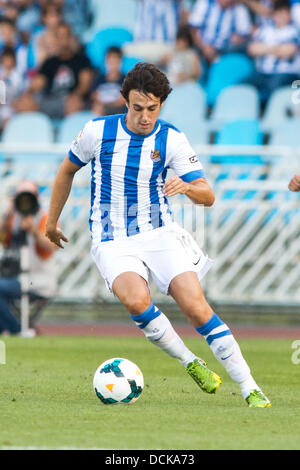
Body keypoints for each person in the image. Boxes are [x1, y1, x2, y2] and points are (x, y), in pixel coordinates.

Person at [45, 62, 271, 408]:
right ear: (125, 102)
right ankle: (190, 362)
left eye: (152, 108)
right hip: (112, 239)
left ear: (161, 105)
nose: (145, 116)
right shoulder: (97, 131)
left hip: (160, 233)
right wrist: (51, 221)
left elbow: (207, 195)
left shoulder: (171, 138)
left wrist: (187, 188)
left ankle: (249, 386)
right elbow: (66, 171)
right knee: (136, 301)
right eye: (138, 108)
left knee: (196, 308)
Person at [0, 181, 58, 336]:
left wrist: (33, 230)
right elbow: (2, 239)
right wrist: (8, 213)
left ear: (36, 197)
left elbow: (52, 246)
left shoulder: (45, 218)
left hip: (38, 281)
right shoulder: (14, 218)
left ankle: (17, 329)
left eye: (29, 196)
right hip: (15, 276)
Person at [17, 22, 94, 119]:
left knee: (73, 104)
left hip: (74, 100)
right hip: (51, 100)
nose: (63, 39)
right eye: (59, 36)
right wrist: (28, 93)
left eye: (65, 35)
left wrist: (75, 95)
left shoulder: (82, 60)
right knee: (24, 104)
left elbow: (85, 85)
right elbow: (39, 82)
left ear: (71, 38)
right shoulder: (49, 62)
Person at [247, 1, 300, 106]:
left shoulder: (294, 31)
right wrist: (277, 49)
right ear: (274, 14)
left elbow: (289, 51)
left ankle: (268, 117)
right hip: (263, 73)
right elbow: (252, 49)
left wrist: (265, 49)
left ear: (289, 15)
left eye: (284, 13)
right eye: (278, 12)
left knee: (274, 85)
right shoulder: (265, 31)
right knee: (243, 85)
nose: (281, 16)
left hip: (286, 73)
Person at [91, 46, 126, 116]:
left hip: (119, 110)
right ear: (106, 61)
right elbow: (94, 96)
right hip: (101, 110)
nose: (113, 63)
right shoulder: (99, 79)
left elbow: (123, 100)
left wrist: (107, 104)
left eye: (115, 60)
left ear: (120, 61)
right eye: (110, 59)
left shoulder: (126, 80)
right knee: (97, 108)